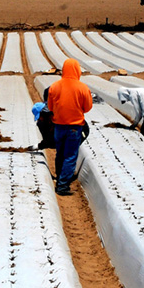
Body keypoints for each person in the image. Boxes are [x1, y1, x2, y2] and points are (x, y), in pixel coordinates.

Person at [47, 59, 93, 195]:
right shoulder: (82, 88)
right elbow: (88, 107)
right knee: (70, 156)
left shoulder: (54, 86)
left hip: (58, 126)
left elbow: (50, 107)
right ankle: (62, 185)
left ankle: (59, 177)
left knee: (60, 153)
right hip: (74, 126)